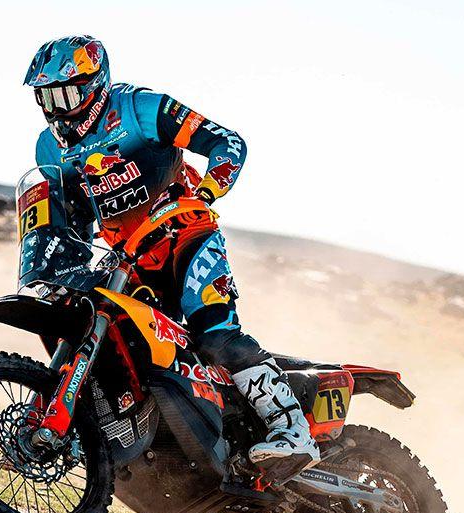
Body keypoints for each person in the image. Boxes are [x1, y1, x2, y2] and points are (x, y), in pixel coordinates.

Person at [25, 35, 319, 479]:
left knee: (214, 333)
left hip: (186, 236)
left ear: (95, 84)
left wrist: (205, 194)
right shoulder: (49, 148)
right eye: (46, 98)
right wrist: (67, 263)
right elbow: (74, 213)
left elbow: (228, 144)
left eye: (65, 96)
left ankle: (291, 428)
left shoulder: (143, 109)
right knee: (120, 342)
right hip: (130, 260)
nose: (56, 109)